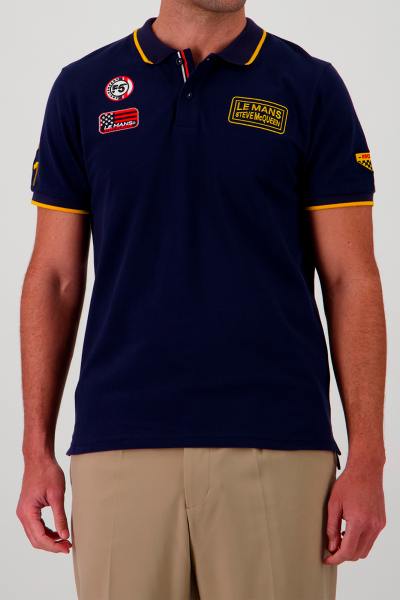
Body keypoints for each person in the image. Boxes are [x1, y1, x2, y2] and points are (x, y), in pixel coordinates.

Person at [17, 1, 387, 599]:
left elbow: (352, 279)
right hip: (119, 444)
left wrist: (369, 456)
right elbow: (54, 277)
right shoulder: (84, 88)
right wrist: (35, 450)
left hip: (279, 446)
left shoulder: (309, 86)